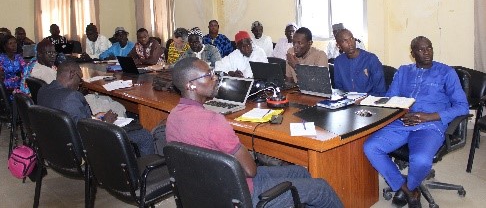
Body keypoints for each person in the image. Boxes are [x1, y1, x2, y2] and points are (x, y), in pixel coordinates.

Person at [166, 57, 343, 207]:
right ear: (191, 85)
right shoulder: (214, 120)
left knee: (300, 172)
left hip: (208, 189)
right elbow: (250, 170)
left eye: (213, 73)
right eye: (208, 75)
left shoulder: (173, 117)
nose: (215, 78)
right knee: (321, 187)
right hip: (242, 193)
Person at [363, 36, 469, 208]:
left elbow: (462, 107)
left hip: (430, 125)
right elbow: (391, 99)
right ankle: (407, 189)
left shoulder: (446, 73)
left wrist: (430, 116)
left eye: (429, 48)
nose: (426, 52)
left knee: (420, 160)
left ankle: (410, 187)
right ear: (413, 54)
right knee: (371, 147)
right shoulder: (403, 71)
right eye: (421, 49)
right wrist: (400, 113)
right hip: (402, 122)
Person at [37, 61, 154, 156]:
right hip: (84, 147)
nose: (80, 83)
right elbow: (85, 133)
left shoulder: (43, 90)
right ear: (72, 74)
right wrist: (106, 122)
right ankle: (142, 178)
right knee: (145, 136)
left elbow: (73, 120)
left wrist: (94, 118)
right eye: (80, 78)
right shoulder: (71, 97)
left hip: (56, 146)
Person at [333, 29, 386, 96]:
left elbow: (380, 91)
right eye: (345, 41)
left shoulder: (371, 59)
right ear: (338, 46)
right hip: (348, 102)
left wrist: (364, 99)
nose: (350, 43)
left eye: (351, 38)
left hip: (368, 101)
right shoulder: (338, 62)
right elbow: (339, 89)